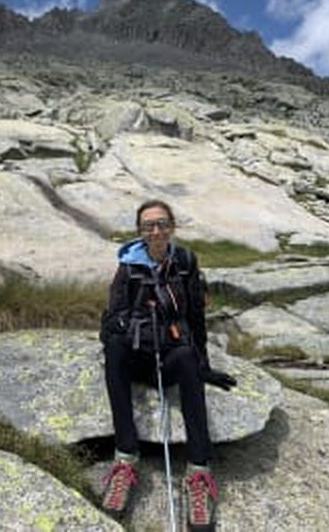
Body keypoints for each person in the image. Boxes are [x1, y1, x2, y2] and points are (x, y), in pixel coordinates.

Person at [99, 199, 236, 530]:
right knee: (114, 349)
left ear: (172, 226)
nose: (156, 231)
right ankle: (125, 458)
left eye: (162, 224)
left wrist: (203, 365)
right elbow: (111, 320)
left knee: (187, 357)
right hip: (135, 355)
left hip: (170, 358)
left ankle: (198, 471)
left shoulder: (185, 262)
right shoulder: (128, 266)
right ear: (140, 232)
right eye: (149, 226)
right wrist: (133, 330)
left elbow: (195, 318)